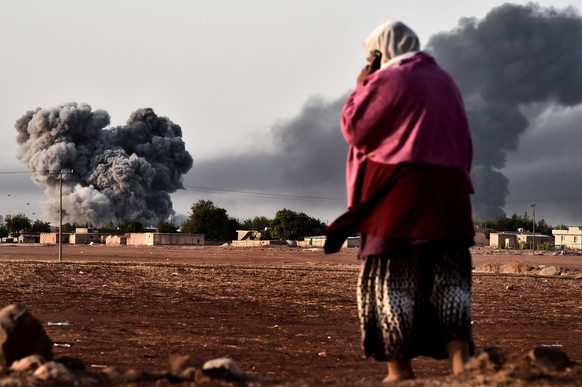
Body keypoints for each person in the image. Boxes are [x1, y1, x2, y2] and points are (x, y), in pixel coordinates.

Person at [324, 20, 475, 383]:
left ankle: (399, 371)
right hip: (451, 196)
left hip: (399, 196)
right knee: (450, 280)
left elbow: (356, 129)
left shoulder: (388, 80)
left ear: (379, 53)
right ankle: (463, 369)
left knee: (392, 281)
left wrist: (361, 86)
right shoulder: (445, 80)